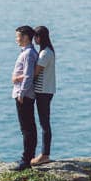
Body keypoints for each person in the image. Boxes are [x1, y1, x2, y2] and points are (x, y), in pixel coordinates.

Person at [11, 25, 38, 170]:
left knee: (27, 128)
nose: (17, 39)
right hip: (24, 93)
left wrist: (21, 93)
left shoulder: (28, 54)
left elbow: (28, 75)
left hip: (24, 95)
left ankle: (26, 160)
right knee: (28, 127)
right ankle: (28, 157)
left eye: (18, 36)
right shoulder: (28, 52)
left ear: (26, 37)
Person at [31, 25, 56, 165]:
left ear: (40, 37)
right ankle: (44, 153)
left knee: (44, 123)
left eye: (35, 36)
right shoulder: (47, 51)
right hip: (45, 90)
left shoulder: (45, 53)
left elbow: (36, 72)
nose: (34, 39)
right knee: (44, 123)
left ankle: (45, 154)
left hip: (43, 92)